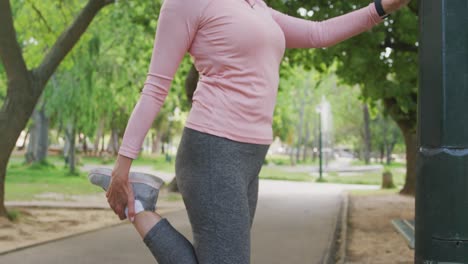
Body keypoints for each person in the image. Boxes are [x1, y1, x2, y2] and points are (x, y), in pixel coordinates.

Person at [89, 0, 410, 263]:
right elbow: (156, 87)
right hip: (212, 149)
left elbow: (318, 33)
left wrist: (381, 7)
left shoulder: (256, 6)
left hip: (250, 158)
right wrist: (123, 163)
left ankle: (142, 204)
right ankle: (140, 208)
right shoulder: (184, 3)